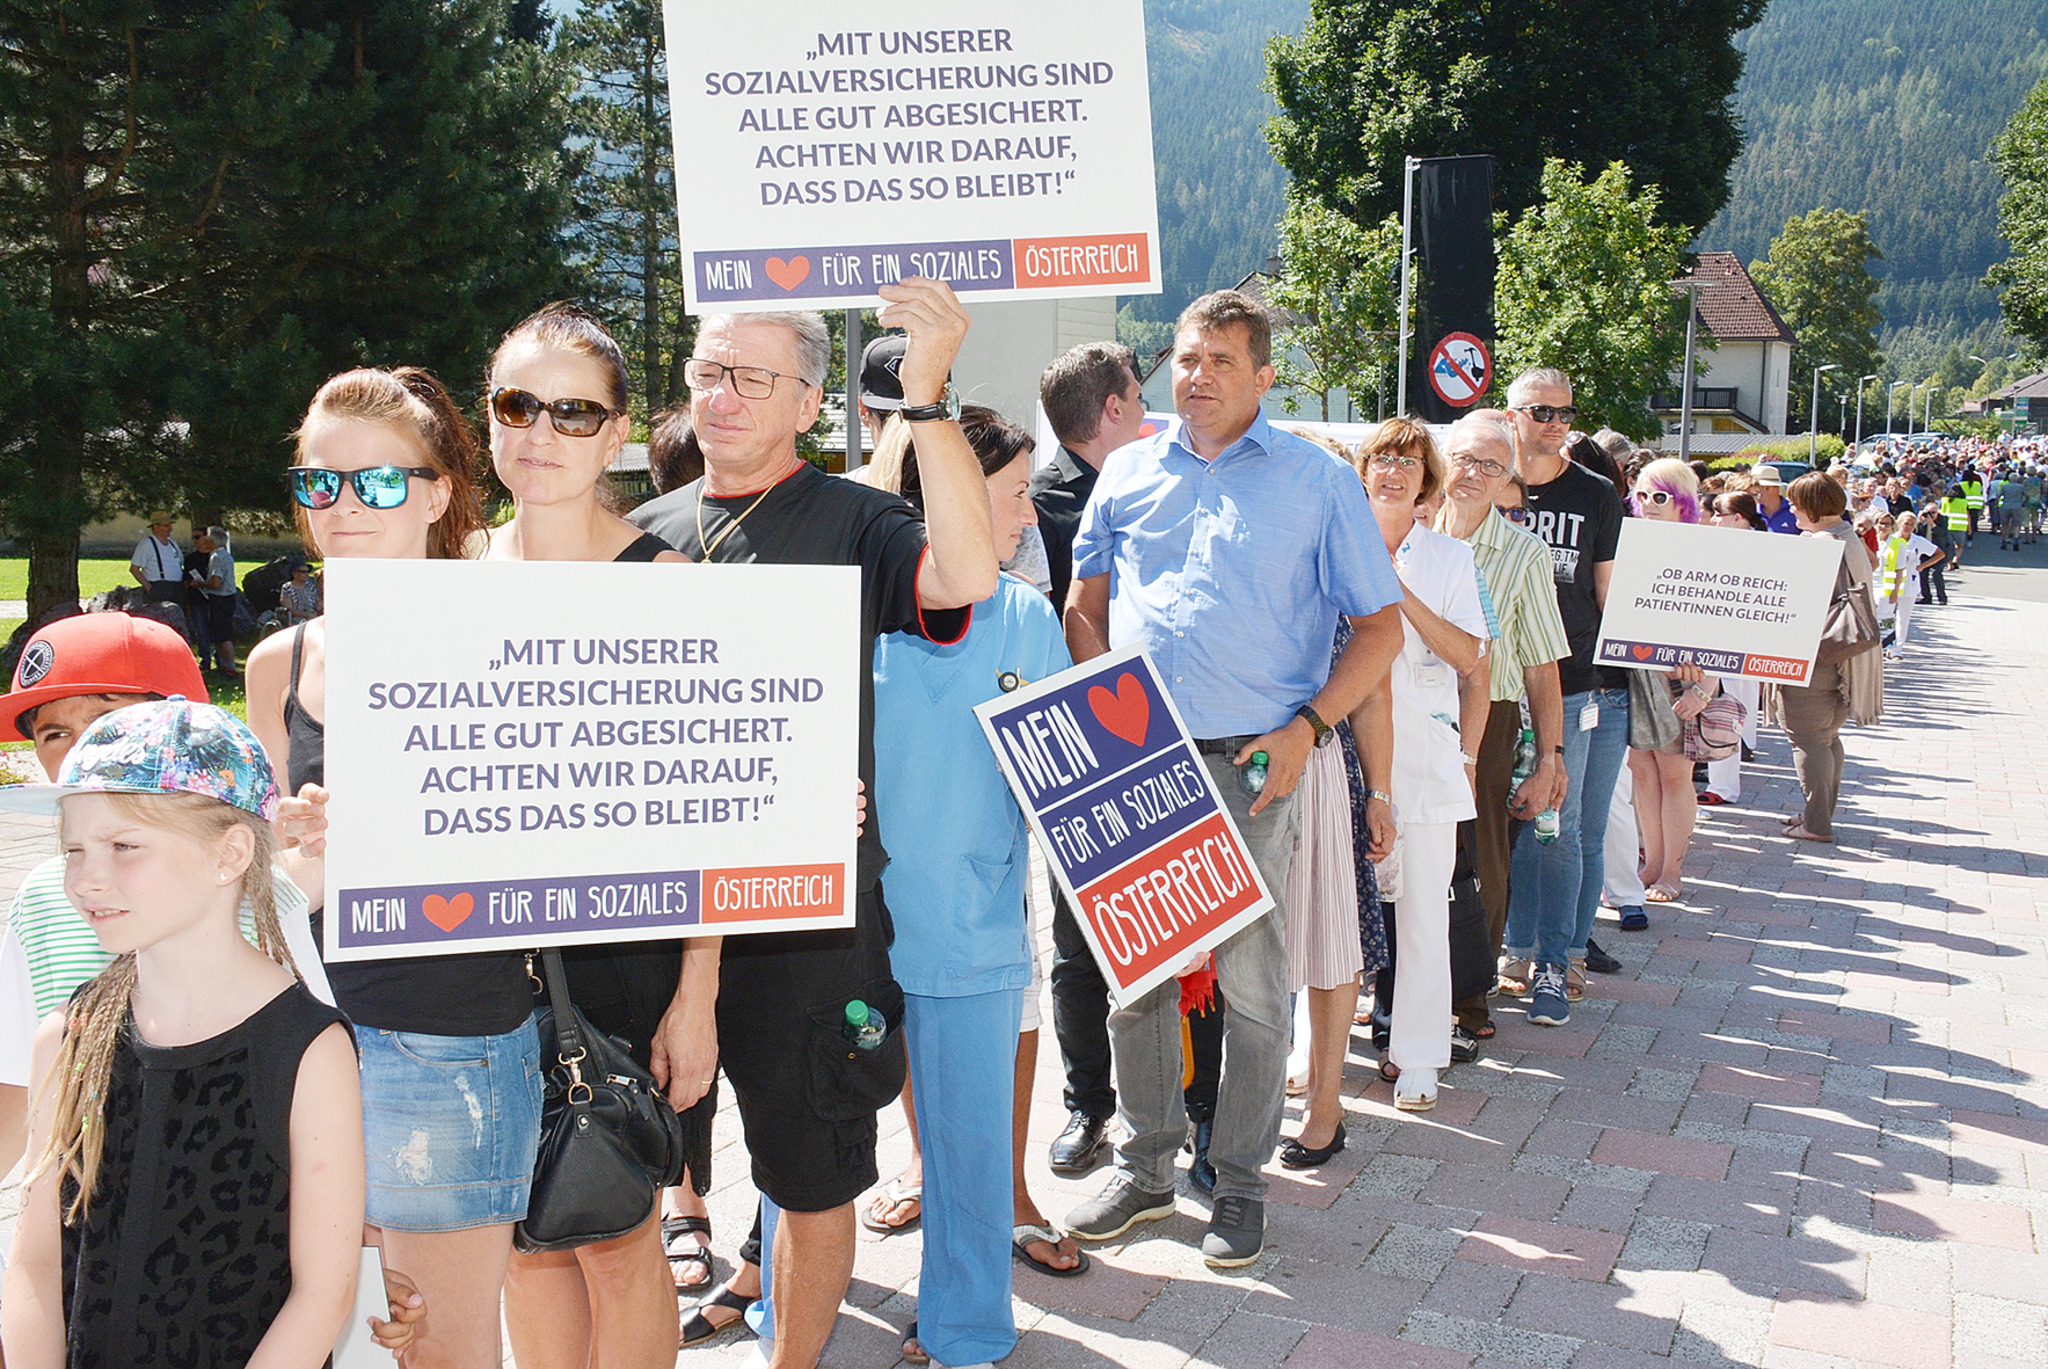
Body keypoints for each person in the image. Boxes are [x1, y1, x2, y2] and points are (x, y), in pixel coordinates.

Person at [628, 278, 998, 1369]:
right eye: (706, 370)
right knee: (633, 1162)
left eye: (752, 377)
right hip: (653, 912)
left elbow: (966, 570)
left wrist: (924, 402)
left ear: (808, 401)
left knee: (810, 1168)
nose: (721, 395)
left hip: (806, 919)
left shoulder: (857, 520)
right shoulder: (635, 537)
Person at [1060, 289, 1403, 1269]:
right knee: (1138, 977)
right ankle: (1146, 1166)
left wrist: (1308, 727)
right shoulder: (1126, 472)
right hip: (1138, 759)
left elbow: (1378, 629)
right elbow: (1082, 604)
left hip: (1260, 754)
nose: (1194, 372)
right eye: (1182, 355)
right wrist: (1097, 697)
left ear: (1262, 376)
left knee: (1253, 987)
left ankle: (1240, 1183)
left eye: (1217, 358)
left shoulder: (1314, 481)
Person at [245, 365, 533, 1369]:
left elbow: (572, 831)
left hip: (449, 1038)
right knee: (346, 1338)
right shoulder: (276, 664)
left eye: (377, 481)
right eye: (320, 482)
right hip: (310, 1039)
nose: (343, 506)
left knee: (443, 1351)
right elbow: (265, 883)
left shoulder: (508, 631)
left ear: (437, 492)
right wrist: (294, 847)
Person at [0, 700, 364, 1366]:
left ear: (230, 852)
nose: (88, 877)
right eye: (75, 848)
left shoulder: (309, 1051)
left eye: (123, 846)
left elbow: (324, 1292)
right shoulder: (68, 1038)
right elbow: (34, 1265)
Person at [478, 303, 696, 1369]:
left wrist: (697, 993)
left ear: (615, 436)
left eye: (573, 413)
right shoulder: (450, 578)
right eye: (517, 405)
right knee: (520, 1239)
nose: (539, 433)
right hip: (477, 959)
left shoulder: (668, 587)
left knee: (615, 1234)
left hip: (624, 956)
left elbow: (720, 814)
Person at [871, 405, 1080, 1368]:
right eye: (1011, 496)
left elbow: (1078, 786)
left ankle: (960, 1332)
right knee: (809, 1142)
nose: (1030, 518)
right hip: (836, 930)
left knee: (967, 1153)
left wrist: (1168, 904)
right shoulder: (854, 604)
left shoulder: (1029, 617)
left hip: (970, 929)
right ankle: (787, 1307)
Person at [1029, 340, 1149, 1175]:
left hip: (1163, 736)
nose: (1149, 413)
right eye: (1140, 397)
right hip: (1081, 745)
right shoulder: (1037, 503)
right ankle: (1087, 1107)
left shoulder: (1160, 488)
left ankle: (1187, 1112)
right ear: (1113, 407)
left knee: (1175, 939)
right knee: (1078, 946)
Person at [1350, 419, 1488, 1113]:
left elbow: (1470, 658)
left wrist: (1397, 591)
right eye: (1382, 457)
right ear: (1364, 468)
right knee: (1332, 907)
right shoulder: (1334, 544)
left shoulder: (1451, 559)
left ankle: (1420, 1055)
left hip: (1427, 761)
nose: (1395, 470)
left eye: (1409, 459)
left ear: (1427, 479)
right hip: (1341, 757)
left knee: (1424, 916)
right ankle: (1306, 1050)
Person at [1434, 413, 1570, 1039]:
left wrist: (1550, 757)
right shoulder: (1404, 527)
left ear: (1509, 479)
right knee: (1398, 850)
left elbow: (1542, 663)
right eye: (1464, 458)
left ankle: (1468, 998)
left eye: (1491, 465)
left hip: (1489, 717)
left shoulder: (1523, 553)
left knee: (1478, 857)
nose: (1473, 474)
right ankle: (1398, 988)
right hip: (1403, 708)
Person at [1499, 368, 1627, 1028]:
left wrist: (1677, 652)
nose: (1556, 422)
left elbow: (1609, 594)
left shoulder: (1597, 493)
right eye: (1542, 410)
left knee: (1563, 826)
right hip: (1496, 686)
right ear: (1512, 414)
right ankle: (1518, 952)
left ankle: (1559, 955)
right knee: (1515, 827)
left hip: (1579, 682)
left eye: (1566, 412)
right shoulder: (1492, 486)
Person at [1622, 460, 1719, 902]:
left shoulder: (1705, 549)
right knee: (1643, 772)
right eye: (1642, 495)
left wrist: (1704, 688)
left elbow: (1728, 624)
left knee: (1676, 775)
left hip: (1683, 679)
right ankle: (1652, 864)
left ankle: (1672, 872)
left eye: (1659, 497)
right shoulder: (1630, 543)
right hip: (1636, 672)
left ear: (1682, 502)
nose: (1649, 505)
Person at [1773, 471, 1881, 843]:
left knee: (1808, 738)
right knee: (1827, 736)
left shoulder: (1819, 544)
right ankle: (1816, 814)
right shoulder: (1846, 535)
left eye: (1797, 504)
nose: (1792, 510)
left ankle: (1817, 823)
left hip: (1816, 654)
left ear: (1814, 509)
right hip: (1843, 655)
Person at [196, 524, 239, 675]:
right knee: (222, 634)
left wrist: (199, 584)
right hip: (228, 599)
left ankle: (229, 667)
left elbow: (216, 582)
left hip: (220, 599)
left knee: (223, 636)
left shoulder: (216, 557)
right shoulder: (226, 555)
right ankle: (225, 666)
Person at [126, 512, 183, 605]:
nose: (170, 529)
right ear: (156, 527)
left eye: (170, 525)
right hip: (159, 588)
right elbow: (134, 569)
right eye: (166, 526)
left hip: (177, 588)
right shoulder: (147, 544)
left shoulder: (173, 543)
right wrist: (149, 588)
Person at [1751, 466, 1800, 535]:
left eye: (1756, 488)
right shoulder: (1751, 512)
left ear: (1767, 488)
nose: (1753, 492)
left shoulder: (1795, 511)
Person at [280, 557, 323, 625]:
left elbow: (318, 601)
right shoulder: (287, 588)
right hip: (296, 621)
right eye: (303, 572)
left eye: (307, 571)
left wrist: (319, 604)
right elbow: (289, 610)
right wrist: (307, 615)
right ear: (294, 574)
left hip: (313, 618)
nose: (306, 574)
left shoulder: (310, 587)